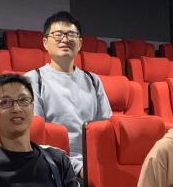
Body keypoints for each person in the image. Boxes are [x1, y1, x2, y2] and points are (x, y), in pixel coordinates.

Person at [27, 11, 111, 174]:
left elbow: (105, 128)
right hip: (52, 164)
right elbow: (37, 137)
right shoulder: (33, 79)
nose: (65, 39)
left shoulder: (93, 80)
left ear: (80, 43)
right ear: (45, 42)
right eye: (58, 34)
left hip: (93, 162)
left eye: (71, 34)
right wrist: (76, 167)